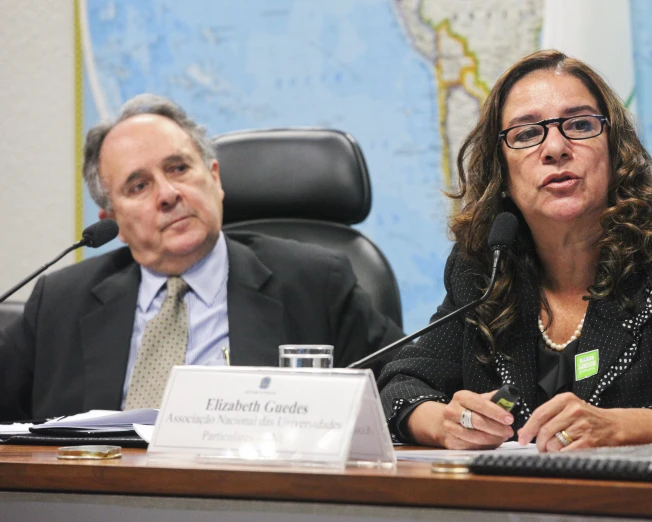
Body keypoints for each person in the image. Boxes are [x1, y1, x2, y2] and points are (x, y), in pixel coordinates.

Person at [378, 50, 652, 452]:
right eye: (526, 134)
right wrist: (442, 423)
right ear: (502, 172)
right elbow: (400, 384)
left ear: (615, 151)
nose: (555, 148)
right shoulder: (485, 266)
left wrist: (620, 427)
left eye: (579, 125)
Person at [0, 94, 402, 421]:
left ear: (215, 178)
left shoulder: (315, 283)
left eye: (178, 168)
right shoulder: (60, 302)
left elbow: (405, 383)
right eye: (139, 186)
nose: (168, 194)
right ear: (113, 220)